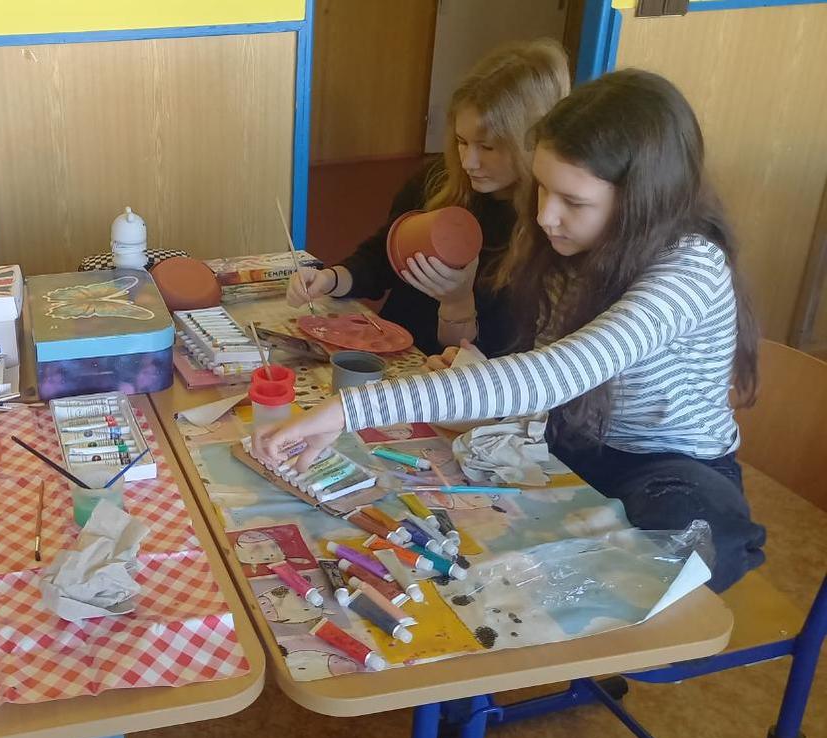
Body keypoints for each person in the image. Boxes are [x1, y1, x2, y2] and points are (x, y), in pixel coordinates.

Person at [257, 70, 766, 593]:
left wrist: (349, 409)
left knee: (692, 539)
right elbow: (543, 377)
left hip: (669, 470)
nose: (545, 216)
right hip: (574, 444)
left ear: (645, 200)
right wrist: (480, 383)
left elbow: (560, 372)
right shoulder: (571, 248)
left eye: (574, 201)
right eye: (542, 188)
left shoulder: (690, 267)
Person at [288, 39, 570, 356]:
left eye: (488, 147)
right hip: (391, 350)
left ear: (529, 143)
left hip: (454, 374)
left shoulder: (545, 228)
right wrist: (332, 278)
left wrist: (457, 302)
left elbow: (488, 360)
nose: (468, 162)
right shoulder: (439, 179)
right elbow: (383, 256)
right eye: (462, 141)